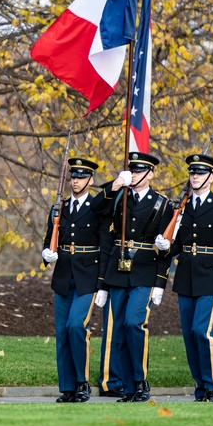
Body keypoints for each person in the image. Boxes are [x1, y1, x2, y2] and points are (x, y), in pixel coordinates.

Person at [91, 152, 174, 403]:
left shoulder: (162, 203)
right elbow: (96, 210)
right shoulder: (119, 197)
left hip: (145, 272)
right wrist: (115, 185)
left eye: (139, 171)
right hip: (117, 271)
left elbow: (167, 248)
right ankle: (128, 387)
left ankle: (140, 380)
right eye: (132, 170)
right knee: (119, 330)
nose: (134, 174)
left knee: (134, 324)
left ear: (150, 174)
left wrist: (160, 282)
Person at [169, 153, 213, 402]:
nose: (194, 177)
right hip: (186, 276)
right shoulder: (183, 206)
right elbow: (178, 244)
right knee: (189, 335)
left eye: (199, 173)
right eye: (192, 173)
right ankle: (200, 387)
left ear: (211, 177)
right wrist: (165, 244)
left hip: (210, 276)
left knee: (202, 331)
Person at [41, 158, 110, 403]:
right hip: (63, 276)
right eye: (73, 177)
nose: (76, 181)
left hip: (87, 278)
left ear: (90, 181)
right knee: (62, 332)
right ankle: (68, 387)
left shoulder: (98, 208)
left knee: (75, 326)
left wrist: (102, 284)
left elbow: (105, 247)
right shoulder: (60, 207)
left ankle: (82, 383)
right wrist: (46, 254)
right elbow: (50, 238)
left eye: (81, 177)